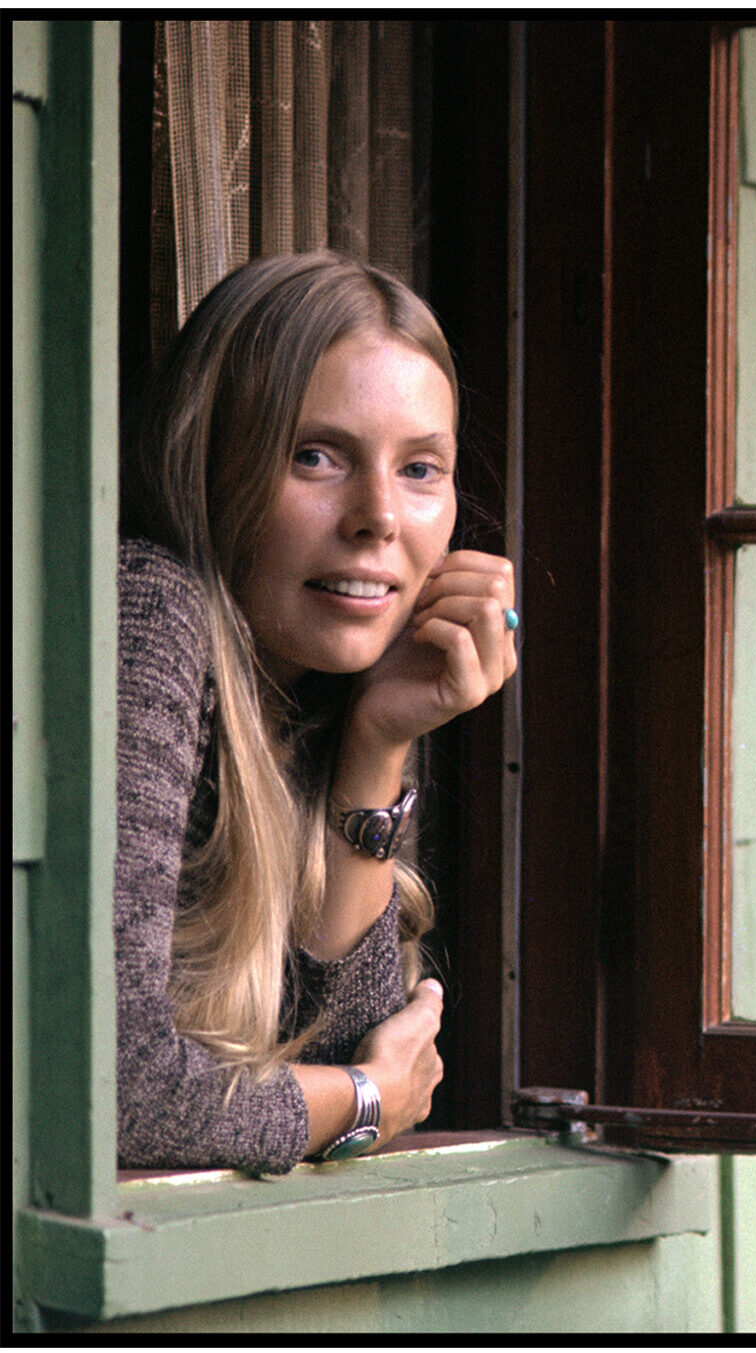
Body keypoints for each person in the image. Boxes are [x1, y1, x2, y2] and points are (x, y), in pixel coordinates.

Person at [116, 251, 517, 1173]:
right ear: (211, 459)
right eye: (317, 456)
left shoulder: (311, 689)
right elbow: (121, 1090)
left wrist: (381, 740)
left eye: (421, 468)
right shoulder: (149, 609)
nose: (378, 516)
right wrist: (367, 1099)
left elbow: (323, 1056)